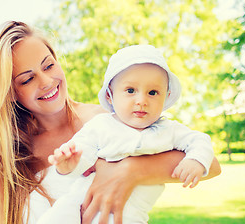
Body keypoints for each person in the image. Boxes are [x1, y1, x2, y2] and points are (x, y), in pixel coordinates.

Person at [0, 21, 221, 224]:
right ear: (10, 92)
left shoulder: (104, 121)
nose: (47, 81)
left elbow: (212, 164)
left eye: (49, 65)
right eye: (27, 79)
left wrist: (129, 170)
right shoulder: (14, 154)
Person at [40, 45, 214, 223]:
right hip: (80, 203)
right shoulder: (101, 125)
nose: (142, 101)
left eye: (153, 92)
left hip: (128, 214)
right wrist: (68, 165)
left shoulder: (169, 130)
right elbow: (83, 153)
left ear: (166, 96)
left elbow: (199, 140)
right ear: (110, 95)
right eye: (130, 90)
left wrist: (195, 160)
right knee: (58, 215)